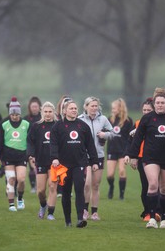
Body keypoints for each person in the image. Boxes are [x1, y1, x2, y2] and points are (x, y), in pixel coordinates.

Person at [124, 88, 165, 229]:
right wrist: (132, 155)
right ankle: (152, 218)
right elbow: (138, 138)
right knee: (153, 185)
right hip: (150, 157)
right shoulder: (147, 119)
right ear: (154, 104)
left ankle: (164, 219)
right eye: (157, 103)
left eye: (162, 103)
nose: (160, 105)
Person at [50, 99, 99, 228]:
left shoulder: (83, 126)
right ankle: (68, 220)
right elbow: (53, 144)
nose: (74, 110)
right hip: (64, 166)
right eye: (71, 108)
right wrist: (55, 157)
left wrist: (94, 161)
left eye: (75, 108)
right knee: (66, 192)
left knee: (79, 189)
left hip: (80, 164)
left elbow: (90, 145)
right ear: (65, 111)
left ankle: (79, 219)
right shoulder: (58, 127)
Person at [78, 96, 113, 221]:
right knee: (86, 184)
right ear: (86, 107)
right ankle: (84, 210)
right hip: (84, 156)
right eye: (91, 106)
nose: (94, 108)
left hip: (98, 155)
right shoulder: (80, 120)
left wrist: (105, 134)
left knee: (96, 185)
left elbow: (113, 133)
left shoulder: (103, 119)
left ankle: (95, 212)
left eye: (95, 106)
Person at [0, 96, 31, 211]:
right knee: (11, 179)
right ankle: (11, 204)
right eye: (13, 114)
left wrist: (31, 155)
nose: (15, 117)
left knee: (21, 179)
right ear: (10, 114)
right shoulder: (4, 125)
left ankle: (20, 198)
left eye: (17, 114)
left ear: (20, 114)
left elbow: (30, 141)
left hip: (21, 157)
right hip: (8, 157)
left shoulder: (26, 124)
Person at [128, 97, 161, 222]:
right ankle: (148, 212)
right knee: (146, 185)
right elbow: (131, 142)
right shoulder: (137, 123)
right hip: (143, 158)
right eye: (144, 110)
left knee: (159, 186)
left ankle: (158, 211)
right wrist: (133, 157)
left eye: (148, 110)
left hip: (158, 157)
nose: (146, 112)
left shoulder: (159, 123)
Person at [27, 101, 58, 220]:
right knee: (40, 191)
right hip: (40, 161)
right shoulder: (36, 126)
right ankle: (43, 205)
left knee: (52, 186)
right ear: (42, 112)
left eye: (50, 112)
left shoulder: (58, 126)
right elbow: (30, 141)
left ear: (54, 112)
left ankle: (50, 213)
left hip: (54, 162)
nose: (48, 114)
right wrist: (31, 155)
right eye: (45, 112)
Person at [106, 98, 133, 200]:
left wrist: (129, 151)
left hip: (123, 151)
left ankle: (121, 195)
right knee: (110, 175)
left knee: (122, 171)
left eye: (114, 108)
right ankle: (111, 187)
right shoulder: (109, 120)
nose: (112, 110)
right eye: (112, 108)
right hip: (111, 150)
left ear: (120, 108)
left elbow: (131, 137)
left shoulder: (128, 121)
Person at [23, 96, 42, 193]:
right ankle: (33, 186)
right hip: (31, 145)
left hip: (42, 145)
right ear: (30, 107)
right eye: (32, 107)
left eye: (36, 106)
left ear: (39, 107)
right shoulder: (26, 119)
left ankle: (40, 184)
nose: (34, 108)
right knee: (32, 166)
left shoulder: (42, 118)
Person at [55, 94, 72, 198]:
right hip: (59, 147)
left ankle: (67, 189)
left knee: (68, 169)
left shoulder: (73, 119)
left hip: (69, 146)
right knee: (58, 168)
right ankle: (59, 190)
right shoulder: (56, 118)